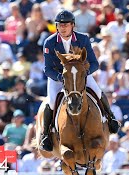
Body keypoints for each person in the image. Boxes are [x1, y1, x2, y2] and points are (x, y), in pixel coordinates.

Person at [40, 10, 120, 152]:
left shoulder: (83, 39)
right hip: (58, 77)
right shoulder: (49, 42)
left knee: (97, 91)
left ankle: (110, 118)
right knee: (52, 101)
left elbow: (94, 63)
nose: (63, 27)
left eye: (66, 25)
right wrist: (61, 77)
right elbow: (47, 69)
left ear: (73, 26)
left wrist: (84, 74)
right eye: (60, 25)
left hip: (80, 74)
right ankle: (46, 134)